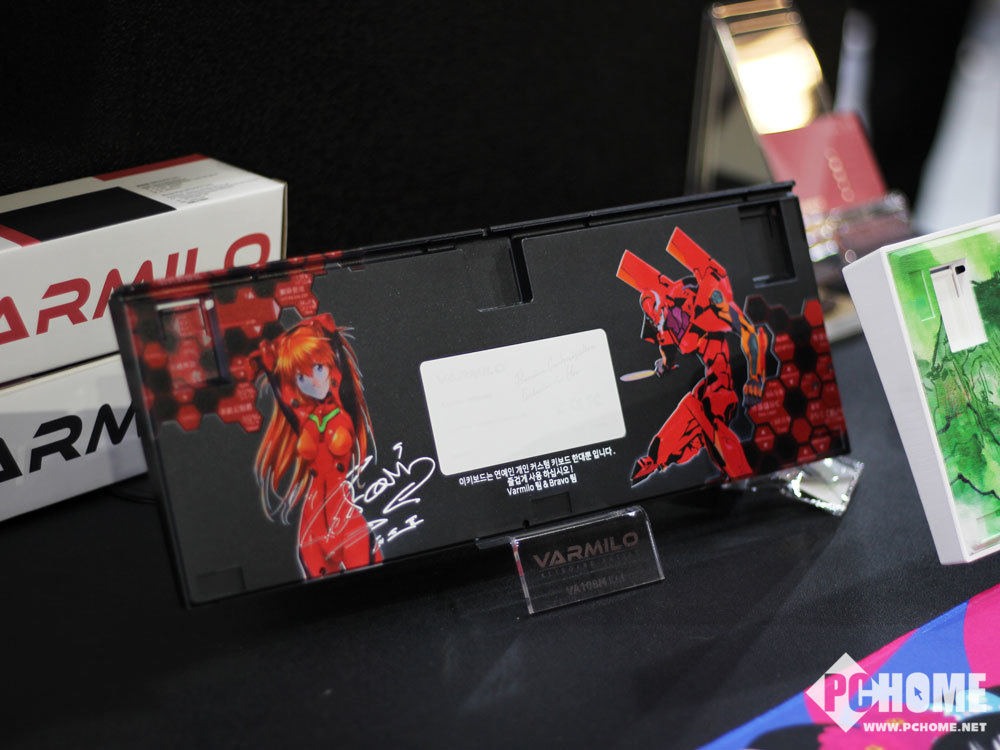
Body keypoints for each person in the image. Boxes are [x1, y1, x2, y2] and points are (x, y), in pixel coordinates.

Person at [617, 227, 768, 484]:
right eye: (653, 318)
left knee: (710, 408)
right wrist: (665, 364)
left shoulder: (709, 299)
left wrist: (756, 377)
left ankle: (740, 472)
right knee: (691, 407)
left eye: (657, 314)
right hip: (707, 381)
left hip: (720, 375)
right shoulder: (663, 322)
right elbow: (667, 350)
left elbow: (751, 333)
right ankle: (655, 459)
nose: (659, 321)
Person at [252, 313, 381, 578]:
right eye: (301, 377)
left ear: (330, 368)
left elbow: (339, 364)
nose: (312, 381)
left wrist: (329, 333)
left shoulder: (342, 407)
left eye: (319, 368)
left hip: (344, 516)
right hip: (313, 523)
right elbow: (283, 393)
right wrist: (270, 363)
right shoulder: (304, 419)